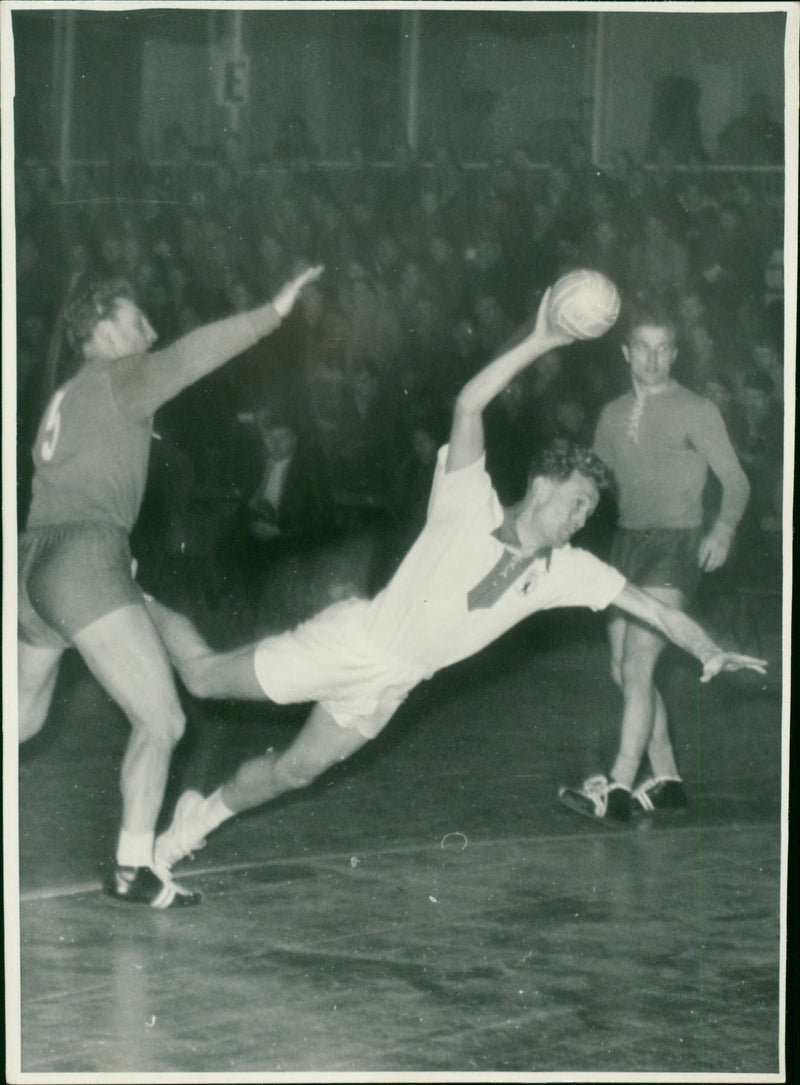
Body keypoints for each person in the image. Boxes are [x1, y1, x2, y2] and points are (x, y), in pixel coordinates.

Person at [142, 289, 765, 872]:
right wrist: (542, 339)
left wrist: (706, 646)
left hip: (391, 685)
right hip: (351, 643)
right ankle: (135, 594)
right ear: (541, 486)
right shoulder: (468, 502)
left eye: (589, 512)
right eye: (576, 502)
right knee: (200, 676)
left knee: (297, 773)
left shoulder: (567, 570)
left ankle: (197, 821)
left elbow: (655, 611)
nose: (581, 518)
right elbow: (469, 404)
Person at [17, 265, 323, 908]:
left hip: (28, 565)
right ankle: (134, 866)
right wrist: (271, 312)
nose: (150, 332)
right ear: (99, 328)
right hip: (81, 558)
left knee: (17, 720)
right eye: (136, 321)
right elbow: (189, 357)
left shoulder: (68, 392)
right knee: (161, 719)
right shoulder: (117, 377)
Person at [559, 298, 751, 824]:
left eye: (663, 349)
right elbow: (592, 485)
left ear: (674, 354)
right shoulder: (612, 414)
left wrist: (724, 528)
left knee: (641, 664)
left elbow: (736, 480)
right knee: (622, 669)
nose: (653, 359)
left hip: (676, 545)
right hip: (626, 544)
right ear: (626, 353)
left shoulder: (696, 409)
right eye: (643, 349)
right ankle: (665, 779)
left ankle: (617, 786)